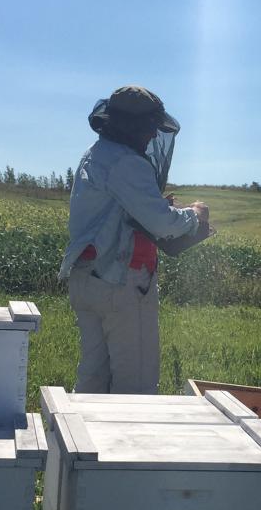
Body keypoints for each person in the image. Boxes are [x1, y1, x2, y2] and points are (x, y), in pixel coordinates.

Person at [59, 85, 209, 394]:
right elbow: (162, 225)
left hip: (87, 280)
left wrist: (158, 206)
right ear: (133, 126)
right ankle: (121, 444)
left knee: (93, 377)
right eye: (149, 128)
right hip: (122, 284)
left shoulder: (95, 153)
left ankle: (80, 441)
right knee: (135, 387)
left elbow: (118, 210)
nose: (154, 136)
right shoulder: (127, 162)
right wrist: (195, 214)